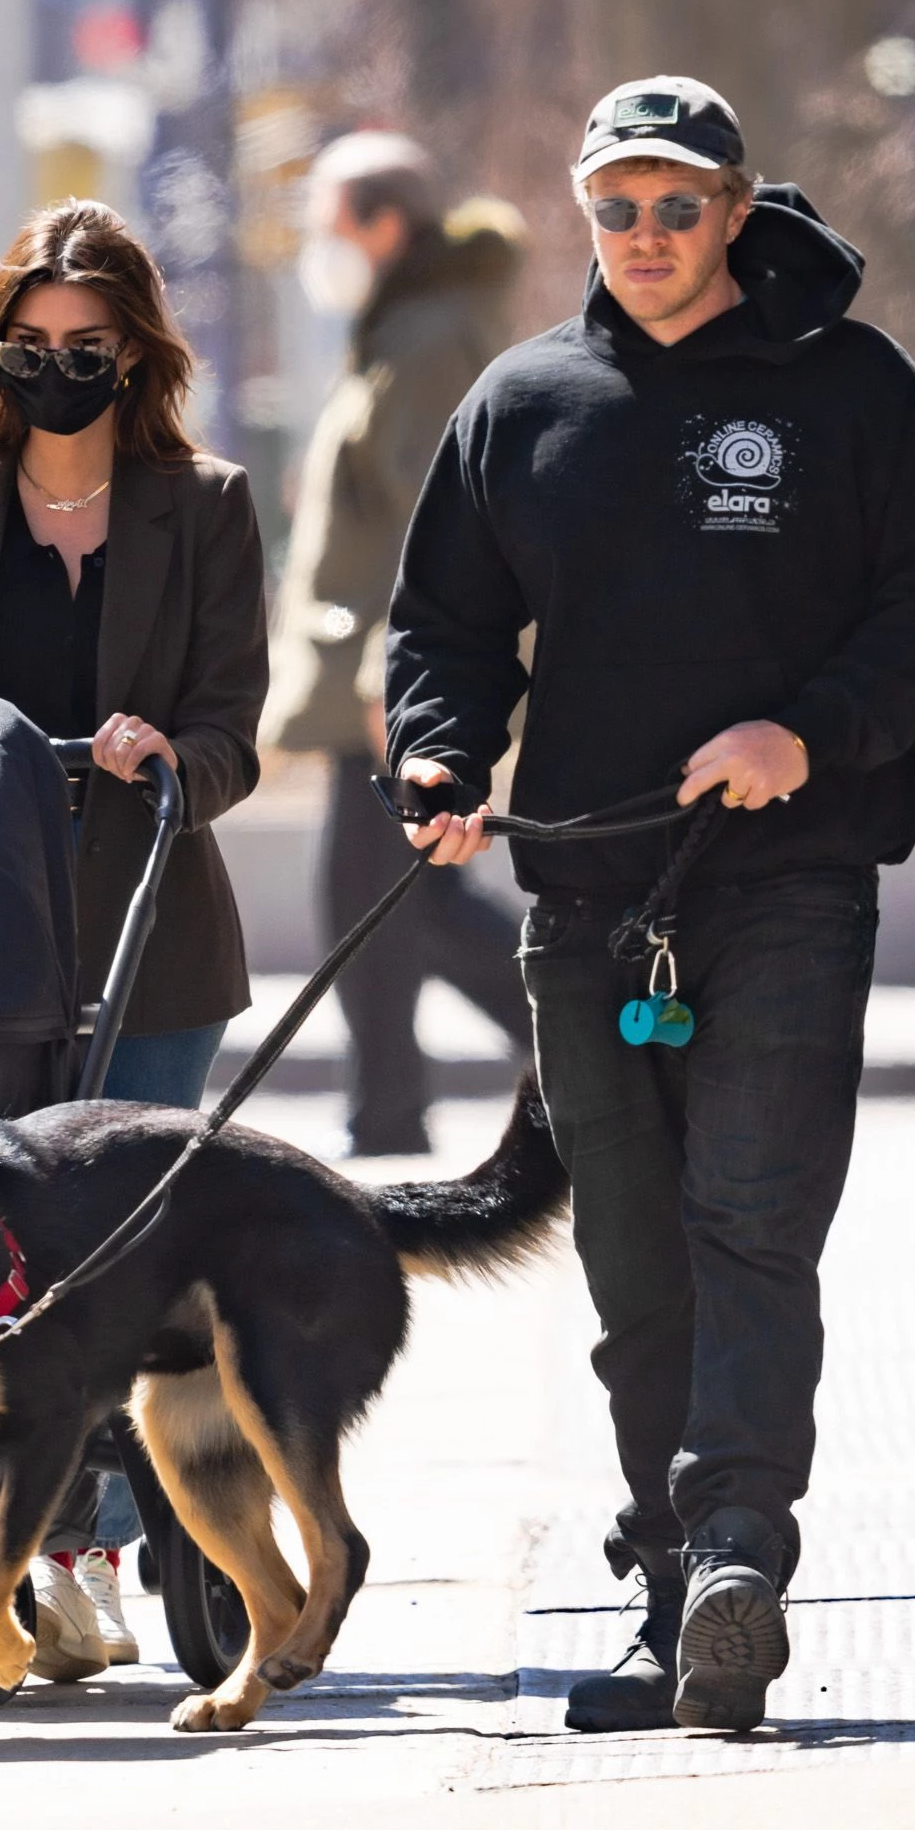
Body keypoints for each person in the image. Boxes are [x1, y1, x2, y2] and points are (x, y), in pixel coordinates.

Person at [385, 76, 915, 1732]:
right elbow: (444, 625)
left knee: (751, 1228)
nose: (646, 236)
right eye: (618, 208)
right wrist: (441, 756)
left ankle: (737, 1555)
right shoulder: (525, 402)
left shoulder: (849, 388)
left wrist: (810, 730)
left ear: (735, 211)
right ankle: (670, 1602)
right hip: (587, 898)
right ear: (586, 215)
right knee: (637, 1266)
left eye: (677, 206)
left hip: (790, 889)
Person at [0, 197, 267, 1682]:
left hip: (154, 931)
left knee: (119, 1257)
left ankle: (86, 1552)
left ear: (136, 352)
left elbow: (235, 727)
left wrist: (168, 759)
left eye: (86, 344)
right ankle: (17, 1544)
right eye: (28, 343)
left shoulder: (206, 507)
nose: (55, 367)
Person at [267, 131, 532, 1157]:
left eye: (328, 224)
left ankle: (598, 1046)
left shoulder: (425, 340)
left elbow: (441, 522)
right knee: (387, 898)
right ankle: (387, 1110)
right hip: (382, 672)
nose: (317, 248)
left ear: (384, 224)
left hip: (395, 678)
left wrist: (401, 672)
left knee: (394, 898)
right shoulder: (404, 329)